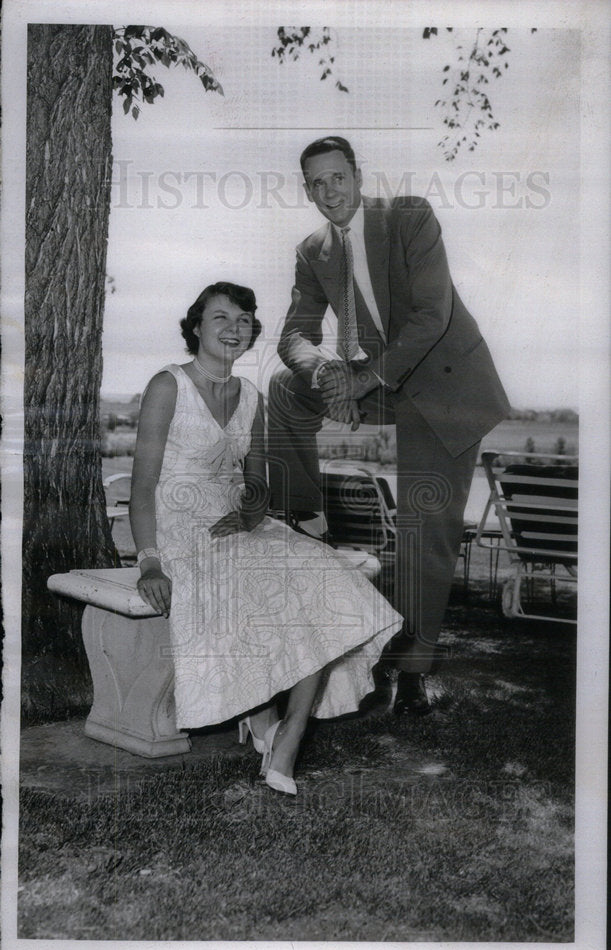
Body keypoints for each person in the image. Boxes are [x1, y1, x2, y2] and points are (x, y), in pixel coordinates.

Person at [129, 281, 402, 796]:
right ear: (195, 327)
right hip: (178, 529)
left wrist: (253, 514)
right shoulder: (168, 386)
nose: (234, 329)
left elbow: (257, 481)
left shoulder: (250, 395)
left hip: (235, 523)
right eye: (221, 318)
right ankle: (270, 725)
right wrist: (149, 562)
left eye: (244, 320)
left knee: (325, 581)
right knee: (275, 588)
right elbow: (143, 487)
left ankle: (287, 733)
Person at [268, 136, 510, 715]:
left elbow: (432, 316)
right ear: (307, 190)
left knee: (427, 528)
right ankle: (299, 515)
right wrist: (327, 373)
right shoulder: (312, 250)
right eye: (316, 184)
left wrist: (363, 381)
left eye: (337, 178)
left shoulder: (407, 216)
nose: (329, 193)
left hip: (444, 388)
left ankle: (411, 677)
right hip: (377, 383)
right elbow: (293, 336)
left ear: (358, 174)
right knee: (284, 387)